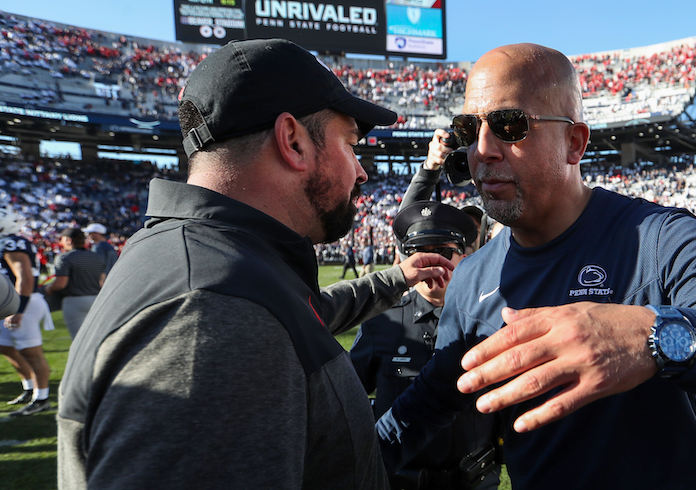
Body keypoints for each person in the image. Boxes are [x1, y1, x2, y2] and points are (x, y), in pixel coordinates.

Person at [375, 43, 696, 489]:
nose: (481, 150)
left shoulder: (660, 239)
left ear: (574, 143)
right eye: (466, 130)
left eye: (509, 125)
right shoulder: (473, 279)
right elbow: (424, 409)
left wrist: (658, 335)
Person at [56, 38, 455, 489]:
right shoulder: (211, 315)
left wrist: (397, 278)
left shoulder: (217, 264)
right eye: (350, 144)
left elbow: (298, 317)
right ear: (293, 141)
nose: (361, 172)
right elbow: (248, 327)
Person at [351, 201, 500, 490]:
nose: (433, 263)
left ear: (464, 256)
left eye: (444, 252)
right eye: (421, 253)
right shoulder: (383, 322)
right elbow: (348, 398)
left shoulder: (489, 319)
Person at [0, 207, 54, 417]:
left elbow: (24, 277)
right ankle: (30, 387)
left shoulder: (12, 243)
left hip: (23, 303)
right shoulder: (8, 242)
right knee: (5, 346)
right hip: (11, 303)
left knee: (31, 352)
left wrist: (18, 309)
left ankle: (42, 399)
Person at [43, 227, 105, 339]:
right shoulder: (96, 256)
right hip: (97, 299)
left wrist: (49, 288)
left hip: (75, 301)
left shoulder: (65, 257)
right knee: (97, 338)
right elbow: (102, 281)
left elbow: (61, 283)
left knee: (79, 341)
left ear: (68, 240)